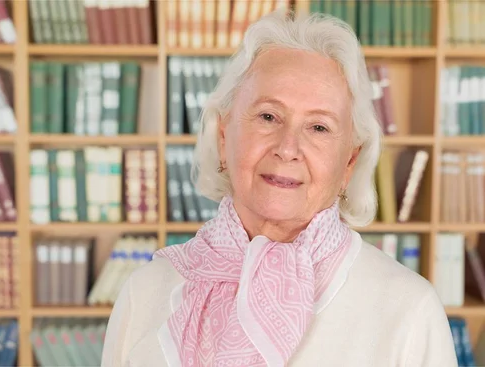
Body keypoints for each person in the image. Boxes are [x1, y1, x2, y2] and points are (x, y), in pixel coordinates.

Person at [101, 9, 457, 367]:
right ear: (224, 137)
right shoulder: (145, 292)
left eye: (318, 127)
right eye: (268, 117)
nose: (288, 148)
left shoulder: (410, 312)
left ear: (349, 161)